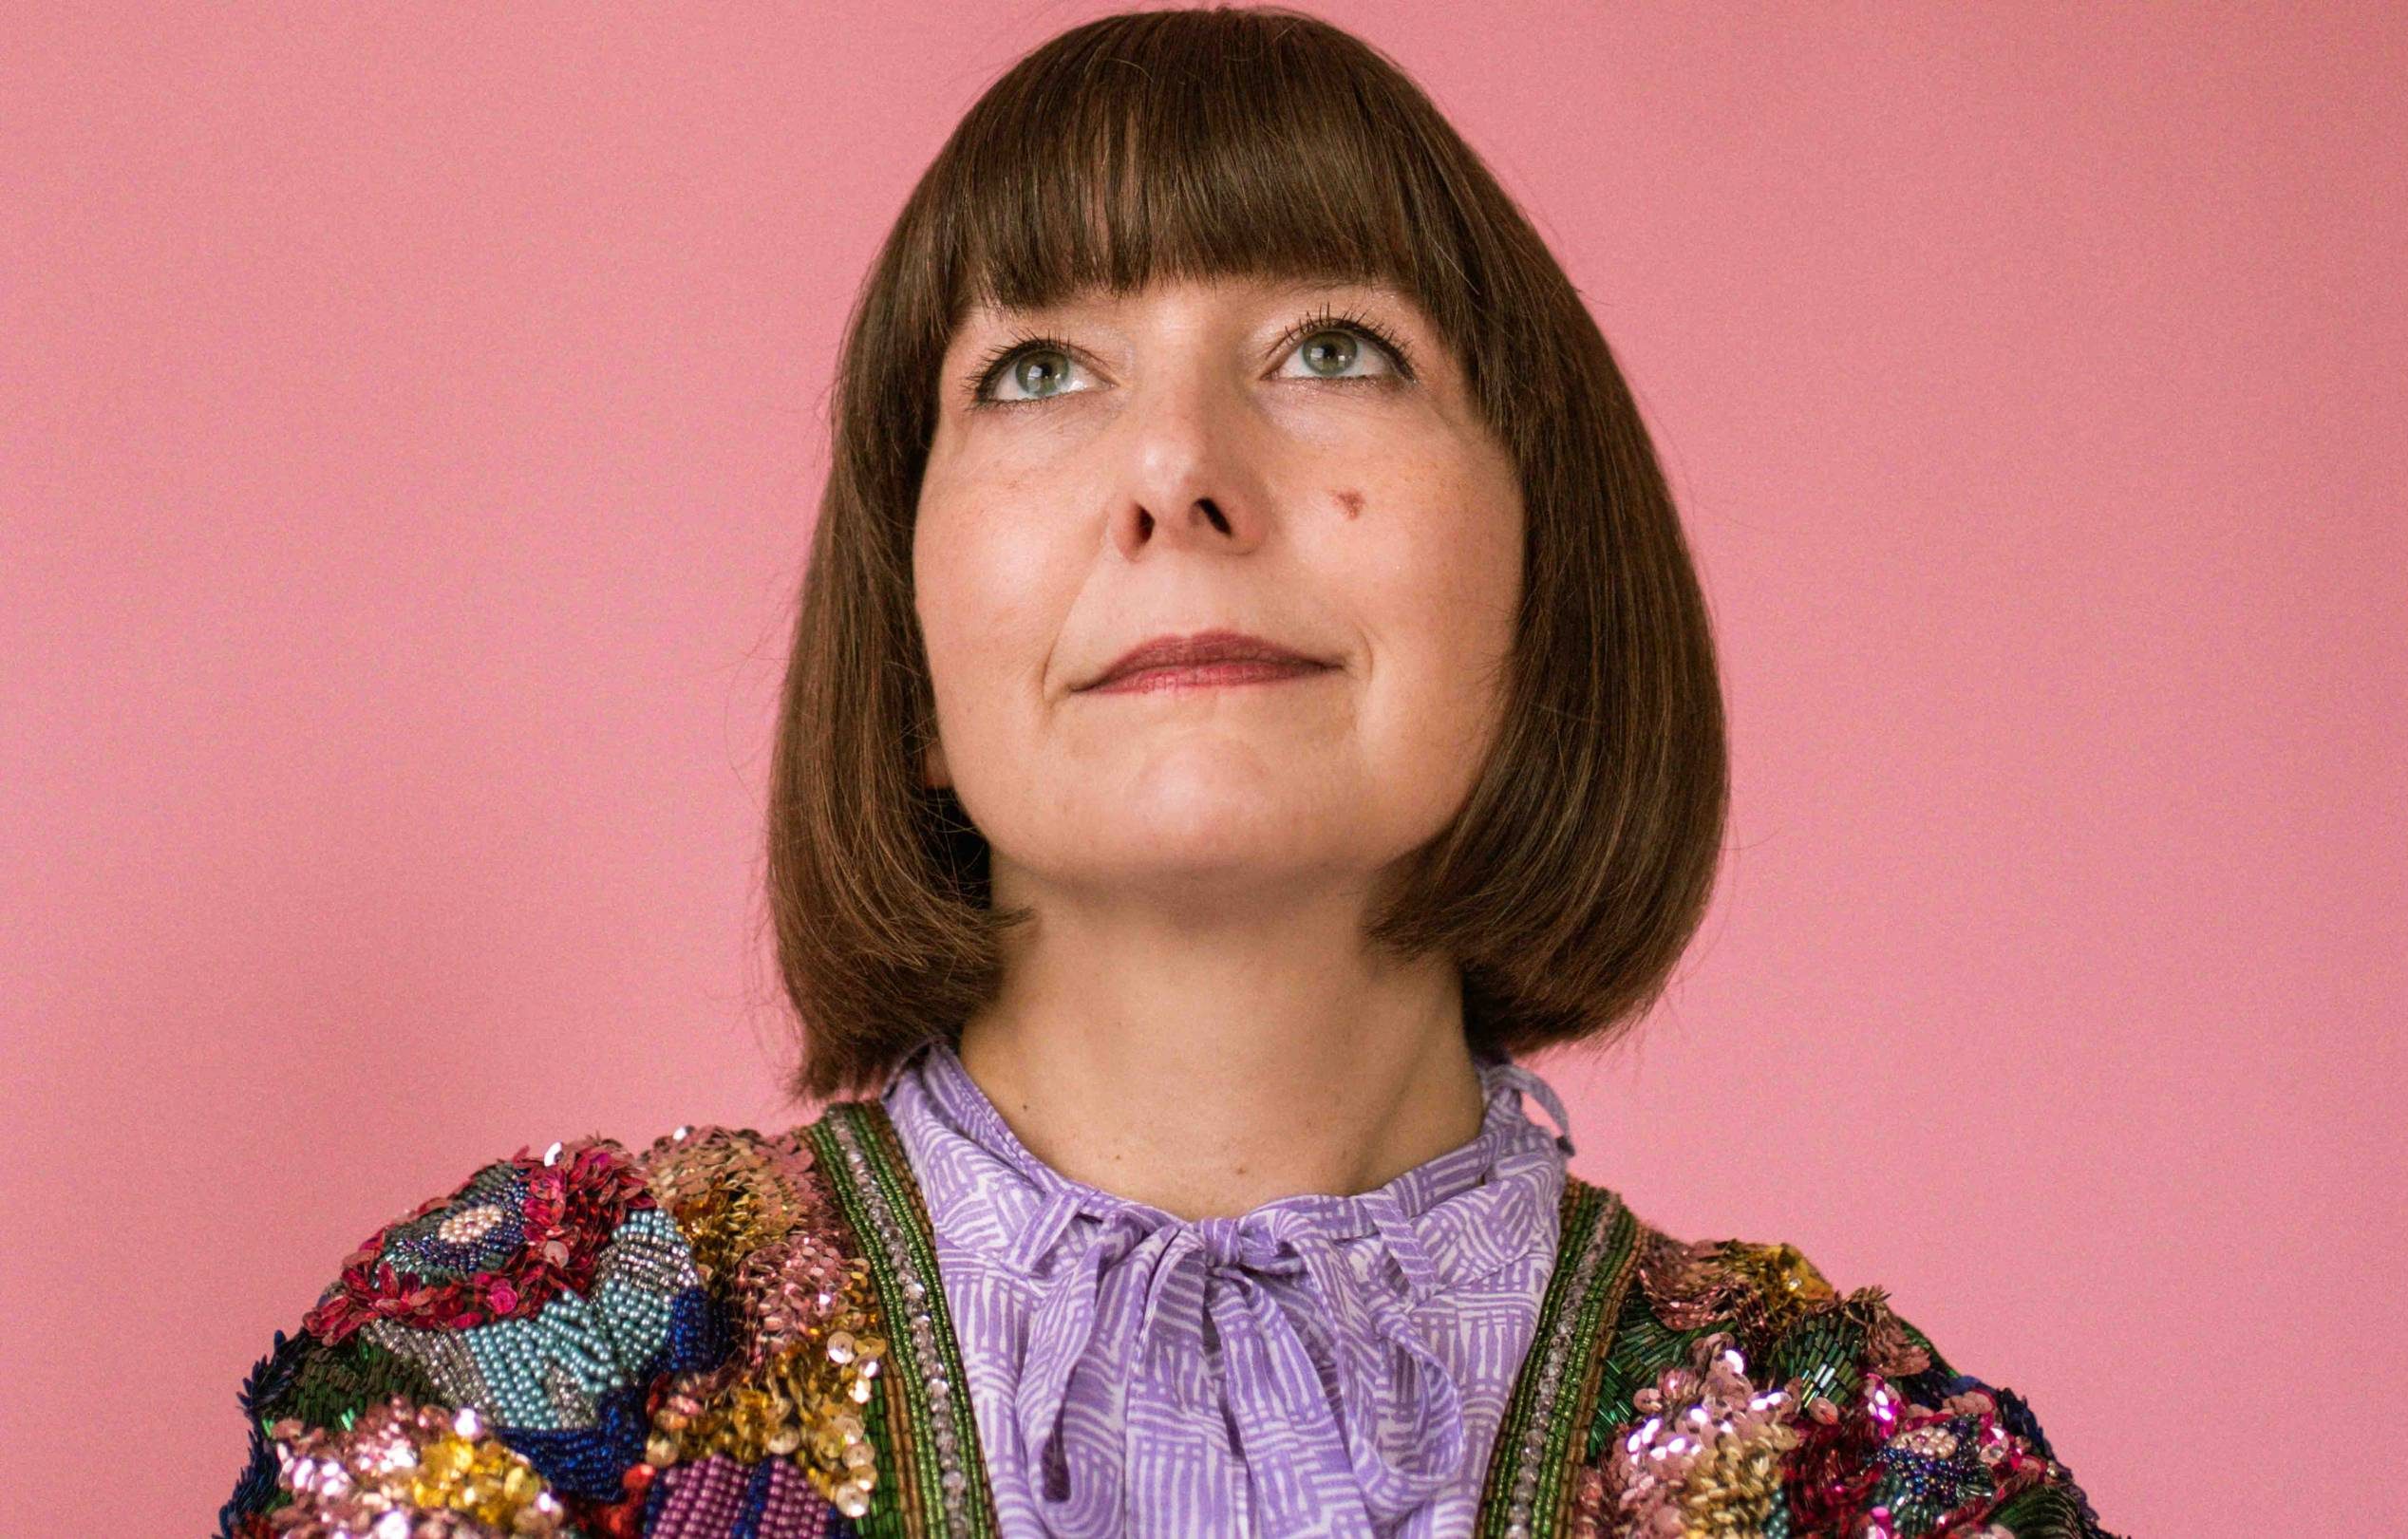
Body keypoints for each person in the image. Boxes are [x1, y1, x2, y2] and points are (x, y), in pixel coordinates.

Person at [217, 8, 2118, 1537]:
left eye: (1332, 347)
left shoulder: (1864, 1479)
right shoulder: (530, 1388)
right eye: (1038, 369)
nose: (1178, 470)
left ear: (1547, 577)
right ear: (908, 636)